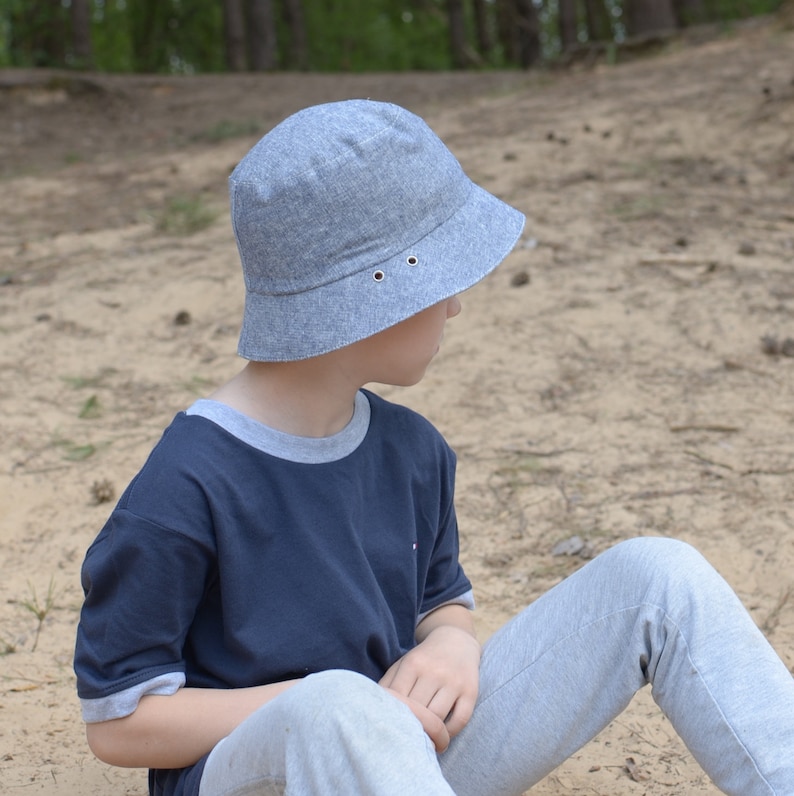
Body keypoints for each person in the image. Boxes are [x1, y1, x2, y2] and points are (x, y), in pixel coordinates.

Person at [74, 100, 794, 796]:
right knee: (337, 708)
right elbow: (120, 721)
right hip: (267, 771)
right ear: (372, 291)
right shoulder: (187, 482)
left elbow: (442, 604)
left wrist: (450, 646)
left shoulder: (412, 451)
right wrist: (339, 702)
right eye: (440, 275)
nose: (455, 303)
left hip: (409, 755)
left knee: (658, 576)